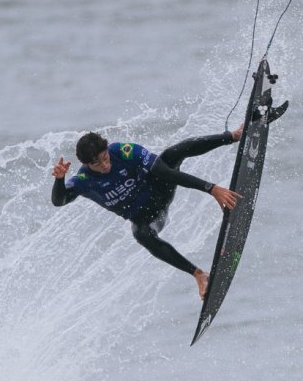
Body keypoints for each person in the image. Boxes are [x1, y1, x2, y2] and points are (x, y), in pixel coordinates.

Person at [50, 126, 247, 299]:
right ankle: (199, 275)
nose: (105, 165)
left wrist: (211, 189)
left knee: (171, 154)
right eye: (97, 164)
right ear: (86, 164)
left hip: (159, 190)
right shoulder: (83, 180)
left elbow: (164, 172)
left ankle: (233, 136)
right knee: (140, 233)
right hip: (148, 216)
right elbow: (60, 201)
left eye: (105, 158)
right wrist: (59, 179)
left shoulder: (122, 152)